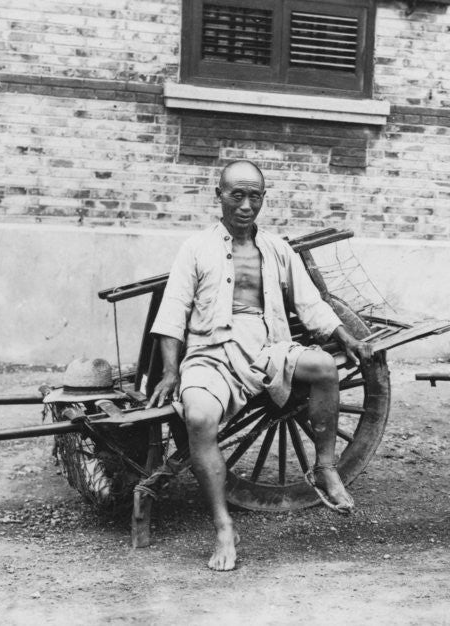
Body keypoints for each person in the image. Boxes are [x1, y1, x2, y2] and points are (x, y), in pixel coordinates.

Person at [146, 160, 372, 570]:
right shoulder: (196, 248)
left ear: (263, 200)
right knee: (198, 417)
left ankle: (325, 467)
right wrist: (169, 371)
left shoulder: (277, 249)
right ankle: (223, 526)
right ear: (219, 196)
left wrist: (345, 336)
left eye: (255, 196)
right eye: (237, 195)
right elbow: (174, 311)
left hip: (269, 348)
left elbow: (309, 303)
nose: (246, 205)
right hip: (211, 354)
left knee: (324, 367)